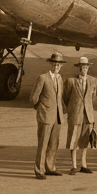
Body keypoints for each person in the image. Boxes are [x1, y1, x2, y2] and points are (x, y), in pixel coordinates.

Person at [28, 51, 65, 179]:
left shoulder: (60, 78)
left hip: (57, 117)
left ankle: (50, 167)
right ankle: (39, 170)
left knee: (54, 144)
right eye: (54, 64)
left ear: (61, 66)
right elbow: (33, 98)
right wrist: (41, 109)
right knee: (43, 144)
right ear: (50, 64)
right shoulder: (42, 78)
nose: (56, 67)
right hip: (46, 116)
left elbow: (59, 97)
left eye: (58, 65)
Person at [63, 55, 96, 175]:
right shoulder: (71, 81)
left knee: (85, 139)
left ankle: (83, 164)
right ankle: (73, 166)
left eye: (86, 67)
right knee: (73, 139)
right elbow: (66, 97)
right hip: (75, 114)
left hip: (88, 114)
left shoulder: (93, 80)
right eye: (82, 67)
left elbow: (92, 97)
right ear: (78, 68)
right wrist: (73, 109)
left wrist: (88, 108)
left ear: (88, 68)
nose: (84, 69)